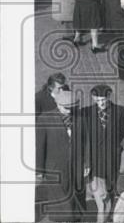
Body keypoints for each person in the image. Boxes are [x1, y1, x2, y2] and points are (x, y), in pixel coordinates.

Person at [36, 89, 87, 223]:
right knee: (59, 201)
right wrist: (39, 171)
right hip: (55, 168)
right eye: (66, 108)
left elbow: (85, 142)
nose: (69, 111)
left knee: (76, 196)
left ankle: (75, 219)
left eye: (72, 108)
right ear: (57, 104)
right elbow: (40, 147)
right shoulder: (44, 119)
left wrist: (86, 162)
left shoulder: (81, 117)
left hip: (76, 166)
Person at [80, 84, 124, 223]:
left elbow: (120, 133)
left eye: (103, 100)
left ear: (109, 97)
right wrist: (86, 162)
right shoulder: (85, 113)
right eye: (98, 100)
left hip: (112, 160)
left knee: (110, 195)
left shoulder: (120, 112)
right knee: (103, 200)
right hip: (94, 164)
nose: (101, 103)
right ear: (93, 98)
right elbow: (83, 140)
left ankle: (106, 220)